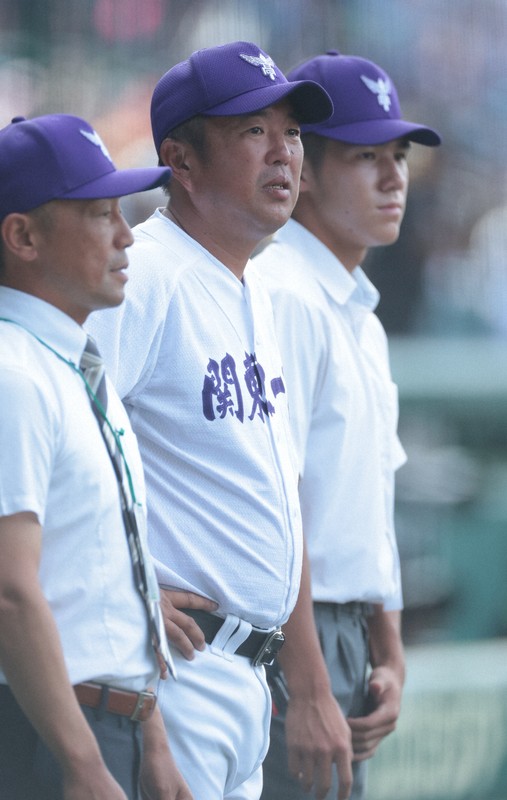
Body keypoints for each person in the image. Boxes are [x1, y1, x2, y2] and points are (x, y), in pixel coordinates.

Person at [86, 40, 333, 800]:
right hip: (177, 670)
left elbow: (275, 499)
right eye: (251, 132)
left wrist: (306, 678)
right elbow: (66, 454)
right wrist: (123, 595)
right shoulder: (145, 274)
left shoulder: (255, 284)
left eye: (289, 132)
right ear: (180, 162)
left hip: (247, 679)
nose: (283, 154)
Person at [253, 50, 441, 800]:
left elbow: (369, 498)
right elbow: (280, 501)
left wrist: (388, 650)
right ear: (303, 169)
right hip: (292, 634)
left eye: (396, 155)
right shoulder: (281, 290)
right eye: (365, 156)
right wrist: (308, 686)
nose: (393, 176)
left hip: (350, 630)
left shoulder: (357, 310)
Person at [0, 113, 192, 800]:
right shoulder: (12, 374)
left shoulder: (77, 364)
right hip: (47, 734)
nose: (125, 235)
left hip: (113, 722)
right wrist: (83, 765)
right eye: (99, 214)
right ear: (22, 236)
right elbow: (9, 592)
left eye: (123, 210)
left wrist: (152, 736)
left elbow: (116, 577)